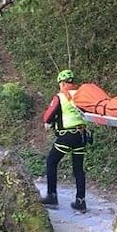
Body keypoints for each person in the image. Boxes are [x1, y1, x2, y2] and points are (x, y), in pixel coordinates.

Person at [41, 69, 89, 212]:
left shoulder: (60, 97)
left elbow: (47, 117)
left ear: (62, 83)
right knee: (78, 168)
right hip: (82, 135)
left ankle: (52, 196)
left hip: (68, 136)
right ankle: (81, 201)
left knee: (51, 161)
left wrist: (49, 122)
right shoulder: (82, 96)